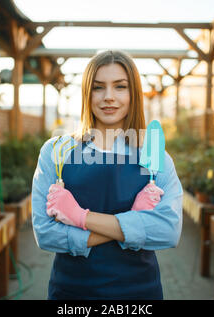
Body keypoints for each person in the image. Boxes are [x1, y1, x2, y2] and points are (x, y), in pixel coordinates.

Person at [32, 50, 183, 300]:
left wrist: (79, 217)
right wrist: (136, 223)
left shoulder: (154, 155)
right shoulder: (57, 152)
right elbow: (45, 234)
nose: (109, 97)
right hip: (72, 294)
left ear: (133, 93)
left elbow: (168, 231)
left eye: (120, 87)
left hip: (139, 294)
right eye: (98, 87)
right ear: (86, 94)